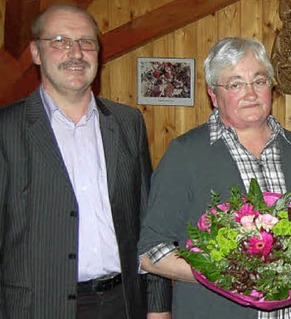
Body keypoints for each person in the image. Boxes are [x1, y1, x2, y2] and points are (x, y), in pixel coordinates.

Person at [137, 37, 291, 318]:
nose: (251, 94)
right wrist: (225, 275)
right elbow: (150, 251)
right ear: (214, 95)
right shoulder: (185, 154)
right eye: (236, 84)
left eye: (259, 81)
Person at [0, 5, 171, 319]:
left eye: (86, 42)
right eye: (61, 41)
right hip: (36, 308)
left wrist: (158, 306)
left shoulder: (127, 122)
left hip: (124, 303)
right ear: (36, 52)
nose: (75, 52)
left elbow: (149, 222)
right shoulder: (6, 129)